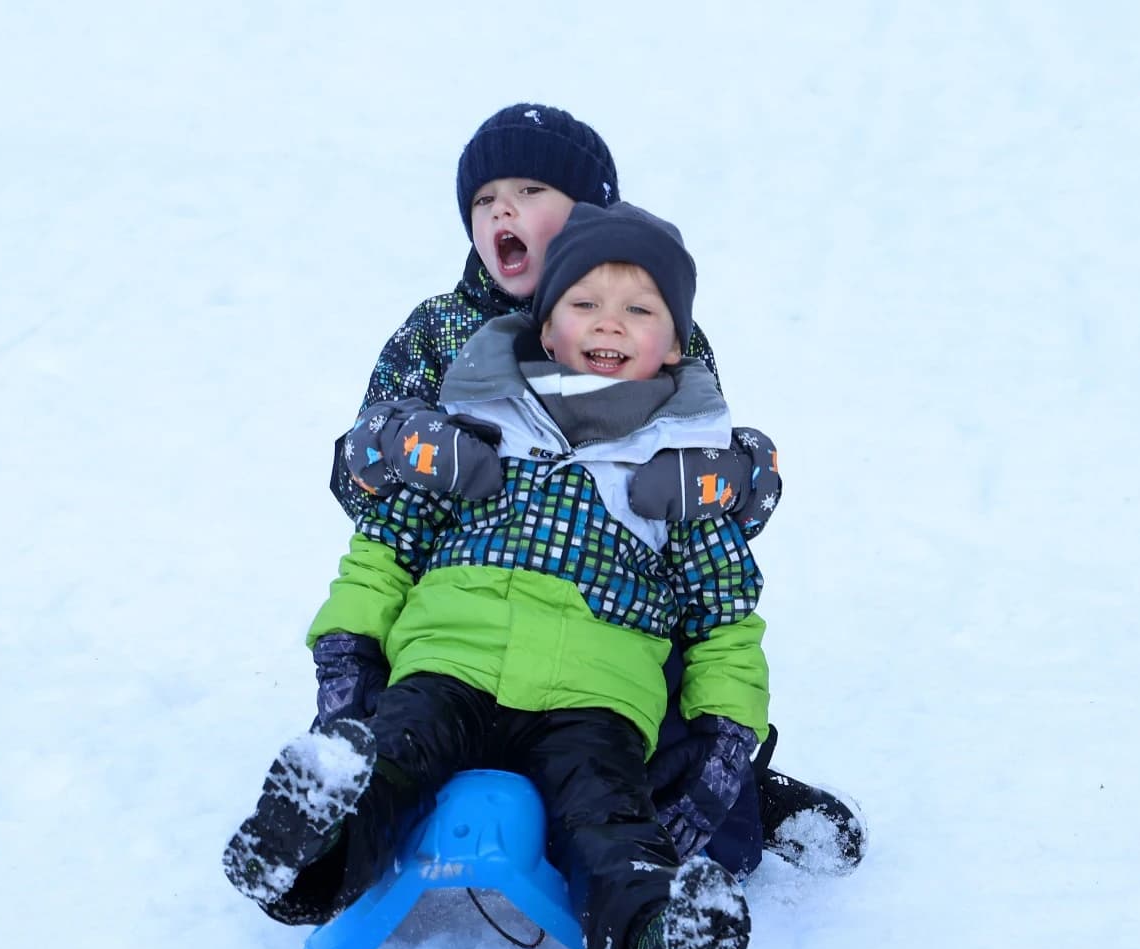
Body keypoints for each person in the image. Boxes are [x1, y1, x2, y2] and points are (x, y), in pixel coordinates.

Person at [226, 203, 762, 949]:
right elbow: (386, 550)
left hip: (595, 699)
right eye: (584, 303)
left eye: (638, 308)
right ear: (544, 329)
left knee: (613, 830)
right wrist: (347, 654)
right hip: (450, 665)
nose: (608, 324)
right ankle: (298, 857)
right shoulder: (476, 428)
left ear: (679, 345)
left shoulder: (687, 470)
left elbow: (727, 622)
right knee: (391, 764)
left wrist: (725, 741)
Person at [323, 102, 867, 876]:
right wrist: (403, 446)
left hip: (611, 611)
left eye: (529, 191)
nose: (501, 210)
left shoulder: (655, 321)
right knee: (400, 688)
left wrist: (736, 477)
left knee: (680, 652)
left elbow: (711, 487)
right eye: (483, 201)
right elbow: (355, 469)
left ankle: (731, 788)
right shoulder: (440, 330)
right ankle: (351, 806)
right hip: (469, 598)